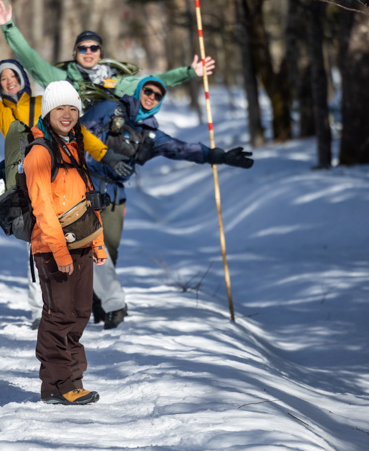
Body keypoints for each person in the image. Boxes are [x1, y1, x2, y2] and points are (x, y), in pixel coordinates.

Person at [0, 42, 132, 327]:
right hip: (29, 185)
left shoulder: (42, 103)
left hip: (65, 180)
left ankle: (114, 304)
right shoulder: (0, 110)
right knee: (36, 247)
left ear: (22, 79)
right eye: (3, 79)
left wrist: (105, 154)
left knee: (89, 237)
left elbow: (75, 128)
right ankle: (38, 313)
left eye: (13, 76)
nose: (8, 82)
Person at [80, 75, 254, 329]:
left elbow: (181, 149)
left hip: (115, 196)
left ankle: (99, 299)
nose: (151, 97)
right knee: (86, 247)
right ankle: (94, 302)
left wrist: (221, 156)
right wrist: (105, 158)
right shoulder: (108, 108)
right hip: (83, 187)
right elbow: (76, 132)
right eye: (147, 91)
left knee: (108, 252)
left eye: (157, 95)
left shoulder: (151, 134)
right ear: (139, 91)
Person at [26, 81, 107, 405]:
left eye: (73, 108)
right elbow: (42, 205)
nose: (68, 114)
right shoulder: (40, 153)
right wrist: (59, 251)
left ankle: (73, 379)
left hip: (82, 244)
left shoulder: (74, 147)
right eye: (60, 108)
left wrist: (98, 243)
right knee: (59, 315)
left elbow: (87, 202)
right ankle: (58, 384)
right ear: (48, 111)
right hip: (52, 248)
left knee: (81, 313)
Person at [0, 0, 216, 107]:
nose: (88, 52)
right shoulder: (61, 79)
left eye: (94, 48)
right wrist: (9, 26)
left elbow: (153, 83)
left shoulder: (113, 81)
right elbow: (31, 59)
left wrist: (190, 72)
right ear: (75, 52)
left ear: (100, 53)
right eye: (83, 48)